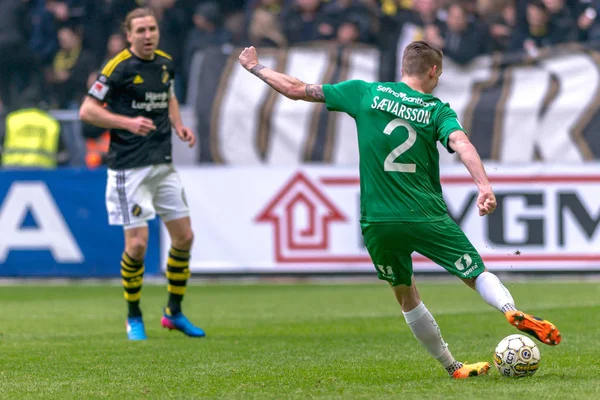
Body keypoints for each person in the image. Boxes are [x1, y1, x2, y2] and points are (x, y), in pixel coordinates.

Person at [238, 41, 561, 378]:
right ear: (433, 71)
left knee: (406, 296)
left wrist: (255, 67)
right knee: (475, 273)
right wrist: (484, 186)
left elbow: (295, 89)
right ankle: (509, 309)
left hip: (378, 220)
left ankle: (453, 367)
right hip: (426, 215)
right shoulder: (437, 109)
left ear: (404, 66)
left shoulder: (364, 92)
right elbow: (461, 144)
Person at [79, 7, 205, 341]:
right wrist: (127, 123)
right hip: (128, 168)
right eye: (141, 30)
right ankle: (133, 316)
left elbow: (170, 97)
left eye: (152, 29)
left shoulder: (165, 63)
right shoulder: (117, 67)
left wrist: (178, 125)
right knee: (137, 246)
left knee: (185, 237)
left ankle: (173, 313)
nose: (148, 35)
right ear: (129, 35)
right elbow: (87, 110)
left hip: (163, 164)